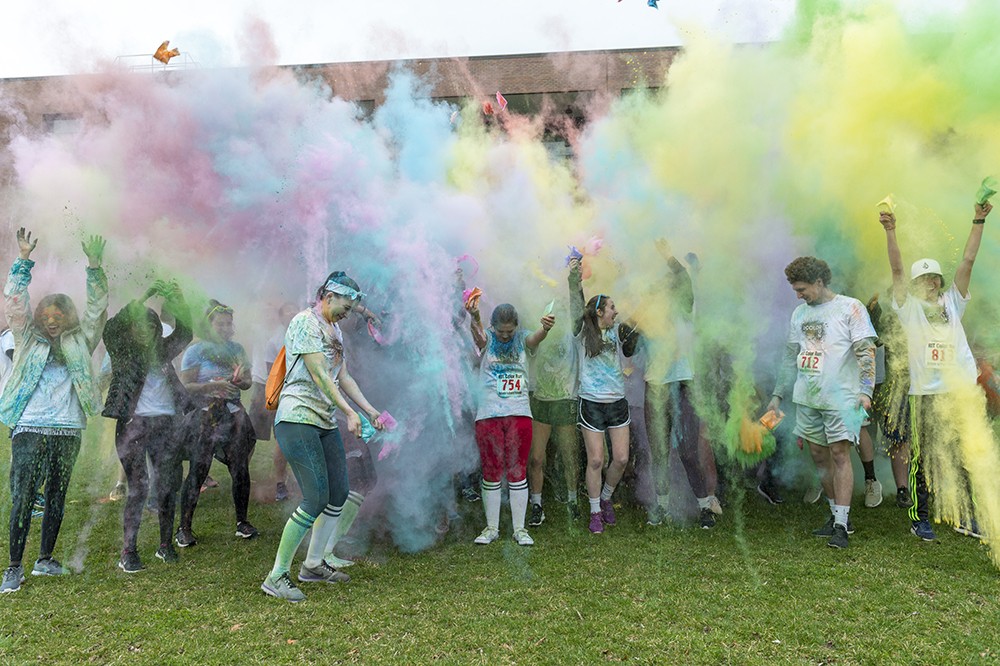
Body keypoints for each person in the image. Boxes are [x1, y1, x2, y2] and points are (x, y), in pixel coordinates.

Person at [261, 271, 383, 602]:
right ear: (328, 297)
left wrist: (369, 410)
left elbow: (342, 377)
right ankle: (277, 575)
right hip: (297, 419)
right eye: (345, 306)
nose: (347, 313)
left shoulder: (335, 330)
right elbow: (319, 375)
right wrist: (348, 413)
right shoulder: (304, 323)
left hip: (323, 421)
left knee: (339, 492)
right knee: (315, 497)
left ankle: (313, 565)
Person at [0, 228, 108, 594]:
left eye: (58, 312)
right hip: (29, 427)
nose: (51, 318)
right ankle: (13, 567)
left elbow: (98, 310)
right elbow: (14, 301)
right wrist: (24, 259)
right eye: (46, 312)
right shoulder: (25, 337)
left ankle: (45, 559)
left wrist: (94, 266)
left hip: (68, 429)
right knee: (25, 496)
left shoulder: (81, 340)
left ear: (68, 316)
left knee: (58, 494)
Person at [879, 200, 993, 540]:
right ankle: (920, 518)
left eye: (934, 277)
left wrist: (978, 220)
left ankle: (965, 516)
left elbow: (969, 260)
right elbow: (897, 270)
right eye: (923, 278)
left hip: (957, 392)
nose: (929, 282)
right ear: (915, 283)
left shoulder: (953, 303)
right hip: (925, 393)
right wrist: (890, 231)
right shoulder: (908, 307)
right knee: (923, 457)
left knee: (964, 454)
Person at [768, 256, 876, 549]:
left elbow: (866, 352)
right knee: (819, 456)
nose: (798, 295)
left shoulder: (851, 307)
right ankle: (836, 515)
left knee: (840, 454)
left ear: (819, 282)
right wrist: (777, 395)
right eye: (795, 290)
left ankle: (841, 525)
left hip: (843, 399)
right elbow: (790, 357)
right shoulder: (799, 314)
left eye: (802, 289)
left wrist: (866, 391)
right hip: (807, 398)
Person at [102, 280, 194, 572]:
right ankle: (128, 551)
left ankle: (165, 545)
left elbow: (186, 331)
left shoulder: (164, 351)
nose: (144, 331)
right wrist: (141, 299)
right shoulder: (123, 351)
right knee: (138, 487)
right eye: (138, 326)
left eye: (150, 326)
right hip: (133, 425)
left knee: (166, 485)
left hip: (166, 422)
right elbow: (110, 329)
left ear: (157, 330)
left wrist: (177, 296)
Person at [642, 240, 721, 529]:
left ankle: (704, 507)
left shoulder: (686, 310)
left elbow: (683, 280)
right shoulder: (648, 318)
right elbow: (626, 347)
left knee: (689, 450)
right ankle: (661, 508)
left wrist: (667, 257)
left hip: (684, 385)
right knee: (659, 451)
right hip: (655, 387)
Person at [466, 299, 554, 546]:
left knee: (517, 471)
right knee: (492, 471)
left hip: (519, 414)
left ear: (516, 327)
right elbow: (480, 338)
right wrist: (474, 315)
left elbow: (535, 339)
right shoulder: (487, 338)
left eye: (510, 332)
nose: (505, 336)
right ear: (493, 327)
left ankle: (520, 529)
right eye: (501, 331)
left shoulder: (523, 339)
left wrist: (545, 329)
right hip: (489, 415)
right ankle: (491, 528)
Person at [176, 300, 257, 547]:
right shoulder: (196, 351)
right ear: (209, 325)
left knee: (240, 469)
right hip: (205, 416)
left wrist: (240, 381)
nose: (224, 327)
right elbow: (186, 386)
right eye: (219, 323)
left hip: (233, 414)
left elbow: (247, 382)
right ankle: (184, 528)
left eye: (228, 323)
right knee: (199, 470)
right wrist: (212, 386)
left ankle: (242, 522)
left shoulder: (237, 349)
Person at [568, 257, 638, 534]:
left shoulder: (618, 333)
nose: (616, 312)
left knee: (620, 459)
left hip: (617, 403)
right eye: (611, 308)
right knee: (596, 459)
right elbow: (577, 303)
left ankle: (607, 497)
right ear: (598, 312)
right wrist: (574, 279)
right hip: (591, 402)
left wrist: (627, 280)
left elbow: (632, 343)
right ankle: (595, 510)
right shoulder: (583, 332)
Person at [526, 298, 580, 525]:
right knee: (537, 458)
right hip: (542, 401)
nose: (558, 315)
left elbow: (578, 304)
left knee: (569, 455)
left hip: (565, 401)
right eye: (553, 311)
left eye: (562, 311)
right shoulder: (537, 334)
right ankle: (537, 504)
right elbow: (531, 345)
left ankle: (573, 500)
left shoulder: (574, 335)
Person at [249, 301, 299, 501]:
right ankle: (279, 482)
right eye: (287, 311)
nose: (292, 313)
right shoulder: (275, 340)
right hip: (280, 395)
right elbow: (274, 376)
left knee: (295, 440)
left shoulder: (305, 333)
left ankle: (293, 479)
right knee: (275, 439)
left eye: (294, 310)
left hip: (300, 396)